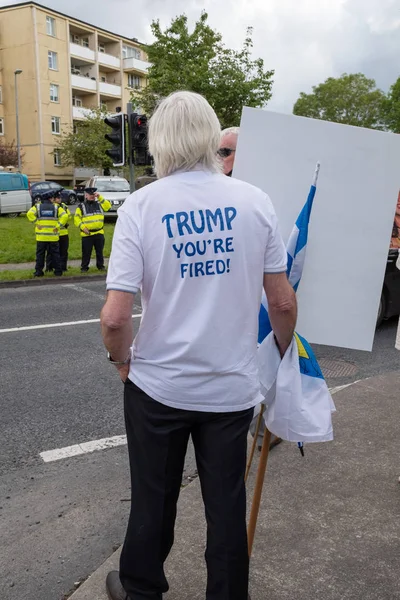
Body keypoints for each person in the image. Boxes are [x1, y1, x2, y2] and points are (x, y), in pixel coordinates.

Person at [101, 91, 297, 600]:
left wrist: (122, 362)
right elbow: (282, 304)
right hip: (230, 389)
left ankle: (140, 589)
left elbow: (116, 315)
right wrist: (276, 357)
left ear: (159, 141)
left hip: (158, 387)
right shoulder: (255, 201)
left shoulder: (143, 205)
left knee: (153, 498)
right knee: (226, 506)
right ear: (213, 138)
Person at [218, 126, 283, 452]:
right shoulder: (212, 194)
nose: (220, 159)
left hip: (258, 300)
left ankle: (264, 428)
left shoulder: (262, 198)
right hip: (224, 307)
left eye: (226, 152)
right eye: (219, 152)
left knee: (264, 357)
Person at [26, 190, 68, 277]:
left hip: (41, 237)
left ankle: (39, 271)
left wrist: (36, 222)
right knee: (55, 254)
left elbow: (29, 213)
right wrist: (58, 225)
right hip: (53, 236)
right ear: (51, 199)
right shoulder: (56, 207)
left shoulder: (37, 207)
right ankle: (58, 271)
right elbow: (65, 216)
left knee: (40, 255)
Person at [74, 187, 112, 272]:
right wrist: (83, 228)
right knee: (86, 252)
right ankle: (84, 267)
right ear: (86, 196)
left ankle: (100, 266)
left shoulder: (99, 204)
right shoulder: (81, 206)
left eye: (93, 195)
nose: (92, 196)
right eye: (90, 195)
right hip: (87, 234)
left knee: (99, 252)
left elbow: (108, 207)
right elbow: (76, 219)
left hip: (99, 232)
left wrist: (100, 197)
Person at [46, 192, 71, 273]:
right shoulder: (52, 207)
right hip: (53, 233)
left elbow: (69, 216)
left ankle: (63, 267)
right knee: (51, 252)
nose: (59, 199)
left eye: (60, 198)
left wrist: (63, 221)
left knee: (64, 251)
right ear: (54, 199)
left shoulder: (64, 206)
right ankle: (49, 267)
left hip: (63, 233)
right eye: (57, 198)